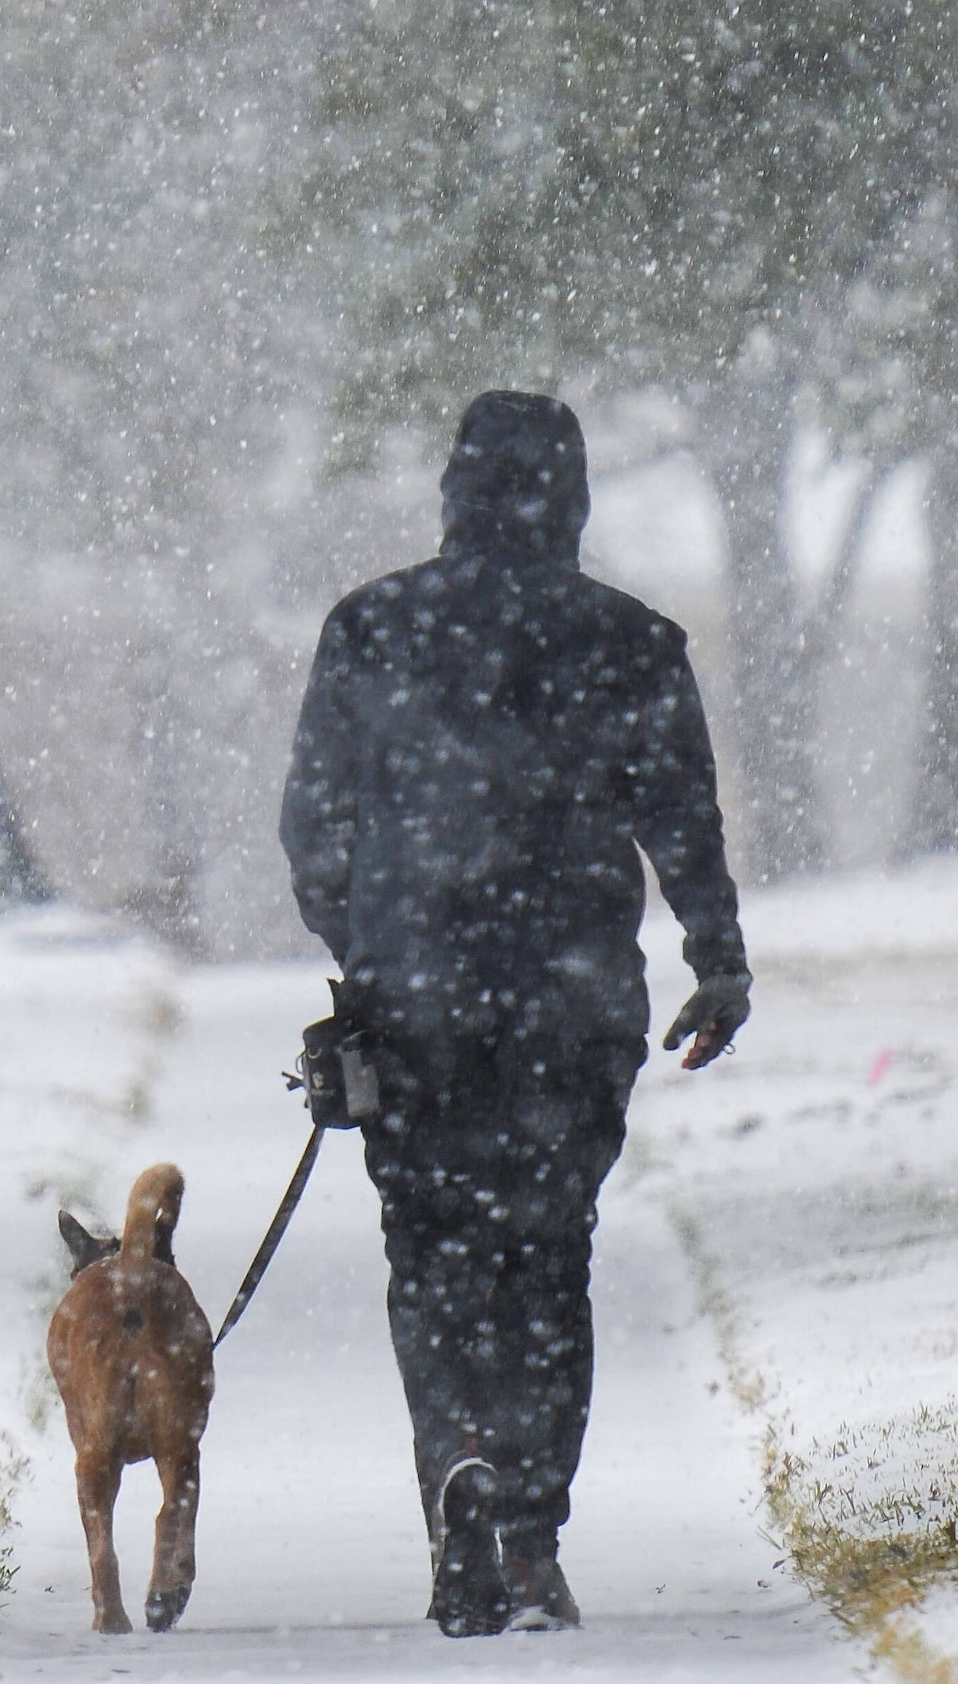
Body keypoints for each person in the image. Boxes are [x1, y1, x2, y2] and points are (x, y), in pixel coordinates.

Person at [279, 389, 753, 1637]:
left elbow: (312, 827)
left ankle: (458, 1480)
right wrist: (717, 959)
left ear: (452, 494)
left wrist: (369, 941)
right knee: (549, 1261)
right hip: (570, 1004)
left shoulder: (371, 630)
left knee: (430, 1257)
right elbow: (682, 824)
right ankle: (533, 1531)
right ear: (573, 500)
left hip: (416, 1005)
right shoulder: (629, 643)